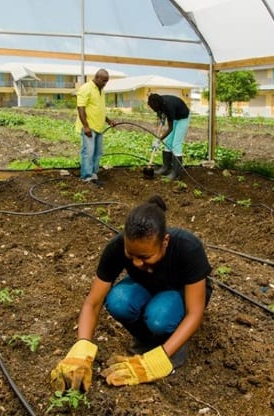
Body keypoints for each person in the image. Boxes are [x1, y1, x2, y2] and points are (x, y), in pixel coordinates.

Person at [51, 195, 212, 391]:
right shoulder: (116, 248)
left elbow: (195, 312)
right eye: (131, 254)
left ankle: (170, 349)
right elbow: (93, 303)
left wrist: (157, 362)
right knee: (119, 300)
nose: (136, 263)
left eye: (145, 257)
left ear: (165, 242)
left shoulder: (188, 248)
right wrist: (81, 349)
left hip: (179, 292)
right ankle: (146, 342)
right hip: (148, 285)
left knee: (160, 317)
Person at [75, 68, 115, 186]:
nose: (105, 84)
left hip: (99, 127)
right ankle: (86, 178)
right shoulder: (86, 88)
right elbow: (80, 108)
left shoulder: (101, 90)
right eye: (103, 81)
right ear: (97, 78)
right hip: (89, 127)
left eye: (106, 81)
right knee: (88, 152)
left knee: (98, 153)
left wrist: (108, 120)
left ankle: (93, 175)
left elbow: (99, 109)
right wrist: (86, 127)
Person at [147, 93, 190, 180]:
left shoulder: (169, 106)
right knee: (168, 142)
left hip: (183, 118)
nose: (153, 109)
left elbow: (170, 129)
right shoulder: (159, 102)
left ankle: (176, 173)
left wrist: (159, 140)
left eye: (153, 108)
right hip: (175, 117)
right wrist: (162, 118)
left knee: (176, 144)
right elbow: (161, 113)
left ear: (157, 104)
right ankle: (166, 167)